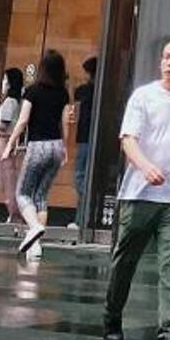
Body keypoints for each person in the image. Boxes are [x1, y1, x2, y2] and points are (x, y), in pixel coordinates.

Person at [102, 36, 170, 340]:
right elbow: (127, 140)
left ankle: (167, 331)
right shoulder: (143, 96)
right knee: (125, 261)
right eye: (166, 56)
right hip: (139, 195)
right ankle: (112, 316)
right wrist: (145, 167)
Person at [14, 49, 71, 258]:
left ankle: (34, 228)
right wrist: (65, 148)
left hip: (37, 146)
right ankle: (36, 245)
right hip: (56, 146)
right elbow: (65, 123)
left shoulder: (32, 91)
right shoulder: (63, 93)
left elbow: (23, 121)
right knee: (41, 195)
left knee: (22, 193)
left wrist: (11, 143)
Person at [0, 66, 26, 232]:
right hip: (7, 142)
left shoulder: (9, 102)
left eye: (5, 80)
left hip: (3, 142)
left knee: (6, 177)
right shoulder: (17, 101)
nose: (3, 83)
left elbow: (2, 125)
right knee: (5, 176)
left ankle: (15, 214)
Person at [71, 55, 98, 228]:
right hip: (92, 137)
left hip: (85, 138)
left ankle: (83, 215)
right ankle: (82, 218)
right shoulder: (105, 89)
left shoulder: (85, 90)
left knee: (80, 176)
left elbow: (76, 94)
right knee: (85, 177)